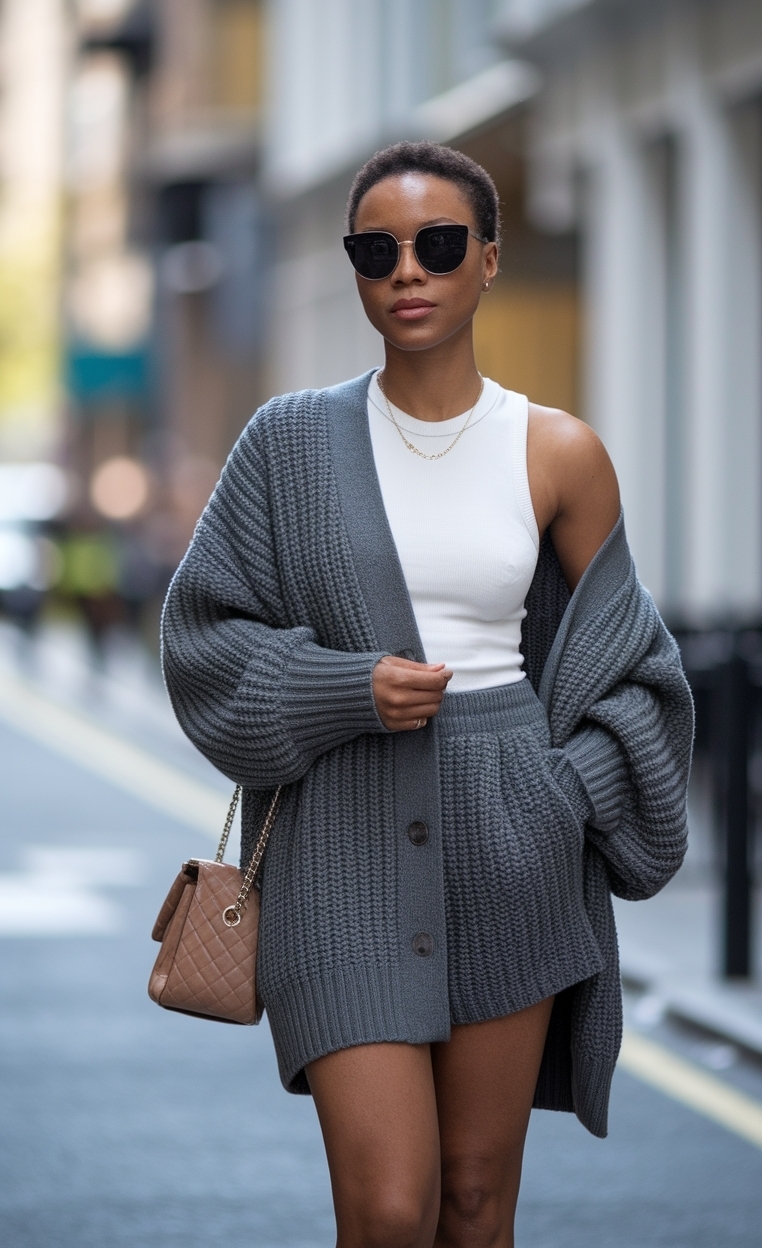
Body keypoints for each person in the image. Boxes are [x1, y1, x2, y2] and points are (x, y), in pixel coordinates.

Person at [162, 141, 693, 1248]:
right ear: (356, 269)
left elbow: (637, 674)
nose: (408, 271)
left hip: (512, 845)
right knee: (389, 1207)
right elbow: (203, 635)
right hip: (338, 847)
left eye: (438, 245)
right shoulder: (288, 443)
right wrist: (339, 688)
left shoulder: (558, 453)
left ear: (488, 261)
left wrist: (560, 795)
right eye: (378, 249)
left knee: (471, 1201)